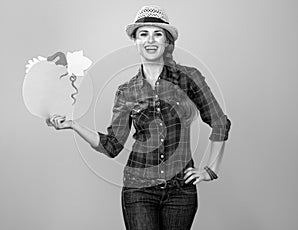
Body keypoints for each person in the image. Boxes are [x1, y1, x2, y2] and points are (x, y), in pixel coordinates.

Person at [46, 5, 231, 230]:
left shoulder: (189, 78)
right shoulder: (126, 91)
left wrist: (210, 170)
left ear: (167, 41)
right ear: (135, 40)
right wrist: (74, 125)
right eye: (143, 33)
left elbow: (220, 122)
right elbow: (112, 145)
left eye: (158, 34)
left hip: (180, 191)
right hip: (138, 191)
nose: (150, 40)